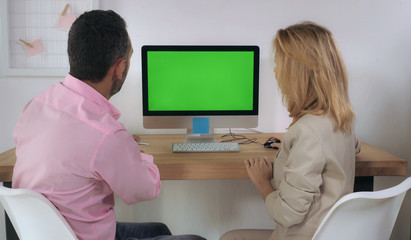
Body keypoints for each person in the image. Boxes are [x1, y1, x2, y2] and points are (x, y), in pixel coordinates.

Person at [12, 10, 205, 240]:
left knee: (159, 230)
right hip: (83, 236)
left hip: (48, 231)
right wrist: (134, 152)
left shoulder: (36, 105)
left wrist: (120, 147)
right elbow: (146, 189)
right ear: (120, 67)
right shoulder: (106, 134)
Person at [220, 21, 360, 240]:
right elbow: (352, 146)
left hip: (305, 236)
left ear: (297, 73)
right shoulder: (341, 118)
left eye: (279, 63)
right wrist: (292, 144)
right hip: (333, 233)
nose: (275, 70)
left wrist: (263, 183)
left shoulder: (308, 131)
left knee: (230, 237)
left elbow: (287, 215)